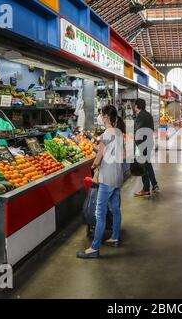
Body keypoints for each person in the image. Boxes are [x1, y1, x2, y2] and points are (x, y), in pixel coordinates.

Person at [77, 105, 126, 259]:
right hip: (118, 176)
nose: (100, 117)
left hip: (106, 178)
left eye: (101, 114)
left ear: (105, 117)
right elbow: (123, 156)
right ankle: (115, 238)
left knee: (100, 213)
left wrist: (95, 164)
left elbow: (98, 157)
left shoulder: (106, 134)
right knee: (115, 209)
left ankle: (94, 248)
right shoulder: (118, 133)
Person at [133, 98, 159, 197]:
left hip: (142, 144)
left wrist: (137, 149)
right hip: (149, 142)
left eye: (134, 105)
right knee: (147, 164)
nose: (133, 107)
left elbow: (138, 132)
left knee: (142, 166)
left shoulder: (139, 116)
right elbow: (151, 129)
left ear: (137, 106)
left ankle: (146, 189)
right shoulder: (148, 115)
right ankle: (155, 184)